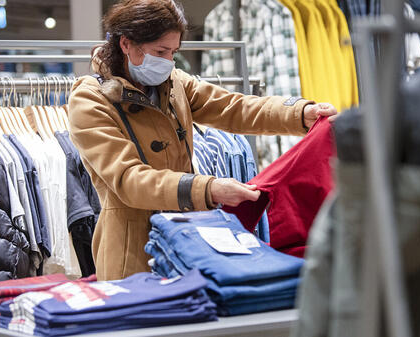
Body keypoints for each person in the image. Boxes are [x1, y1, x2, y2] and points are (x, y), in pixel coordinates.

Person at [68, 0, 338, 281]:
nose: (168, 62)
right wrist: (208, 189)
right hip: (132, 256)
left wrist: (300, 113)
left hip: (187, 241)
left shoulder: (174, 84)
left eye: (173, 52)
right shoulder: (90, 100)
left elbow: (233, 107)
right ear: (126, 44)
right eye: (160, 52)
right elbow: (128, 179)